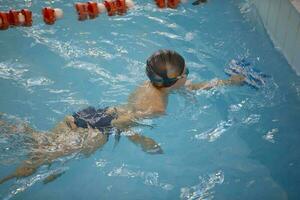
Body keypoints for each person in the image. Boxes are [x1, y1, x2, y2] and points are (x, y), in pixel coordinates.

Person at [0, 49, 244, 184]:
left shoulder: (149, 87)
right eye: (186, 72)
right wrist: (143, 141)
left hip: (88, 115)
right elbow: (121, 125)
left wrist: (229, 81)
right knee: (34, 164)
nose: (188, 76)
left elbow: (194, 87)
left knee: (38, 141)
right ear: (177, 80)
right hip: (95, 132)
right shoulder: (157, 108)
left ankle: (8, 127)